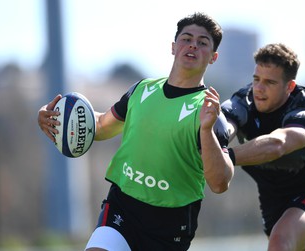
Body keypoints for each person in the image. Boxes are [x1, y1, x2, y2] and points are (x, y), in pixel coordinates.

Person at [38, 12, 234, 251]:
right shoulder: (142, 90)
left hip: (170, 224)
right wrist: (53, 119)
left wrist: (206, 129)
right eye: (186, 38)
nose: (193, 44)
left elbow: (219, 182)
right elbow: (99, 126)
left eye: (202, 42)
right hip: (123, 206)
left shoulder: (210, 113)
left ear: (213, 57)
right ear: (173, 47)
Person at [221, 43, 305, 251]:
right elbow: (223, 128)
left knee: (280, 243)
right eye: (256, 79)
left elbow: (276, 145)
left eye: (270, 82)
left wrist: (225, 156)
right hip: (271, 202)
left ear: (289, 86)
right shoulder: (243, 100)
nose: (259, 88)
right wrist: (213, 141)